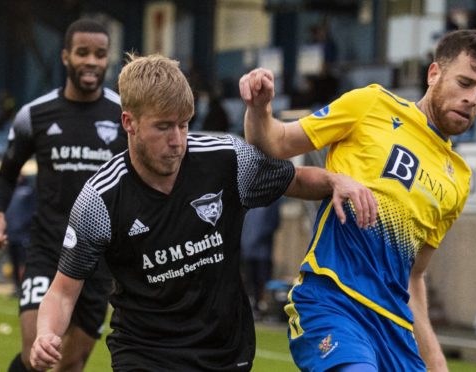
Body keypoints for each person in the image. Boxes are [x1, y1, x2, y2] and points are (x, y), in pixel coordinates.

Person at [29, 53, 377, 372]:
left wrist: (335, 181)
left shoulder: (227, 159)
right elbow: (63, 290)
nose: (178, 140)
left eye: (184, 124)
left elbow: (296, 180)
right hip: (145, 354)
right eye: (163, 127)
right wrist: (46, 334)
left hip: (224, 351)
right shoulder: (99, 200)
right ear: (129, 123)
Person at [239, 29, 476, 371]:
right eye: (465, 83)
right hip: (334, 306)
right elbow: (275, 143)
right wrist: (259, 109)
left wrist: (435, 360)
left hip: (394, 330)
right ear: (434, 73)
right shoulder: (371, 105)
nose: (472, 98)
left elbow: (414, 277)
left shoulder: (458, 178)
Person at [0, 18, 127, 372]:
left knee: (70, 362)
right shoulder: (34, 115)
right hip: (48, 250)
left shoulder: (125, 115)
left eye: (100, 54)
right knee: (39, 355)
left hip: (100, 261)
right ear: (65, 57)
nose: (91, 61)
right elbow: (5, 175)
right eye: (82, 53)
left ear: (108, 59)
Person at [241, 198, 282, 316]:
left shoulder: (272, 199)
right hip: (248, 249)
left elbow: (273, 223)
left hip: (263, 251)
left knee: (262, 280)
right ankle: (252, 306)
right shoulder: (248, 198)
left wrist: (259, 238)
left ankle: (263, 307)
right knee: (249, 280)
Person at [5, 175, 35, 296]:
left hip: (23, 235)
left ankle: (24, 287)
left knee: (23, 262)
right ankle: (16, 286)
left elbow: (33, 211)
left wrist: (24, 224)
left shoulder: (28, 192)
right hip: (11, 234)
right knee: (14, 262)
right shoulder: (11, 192)